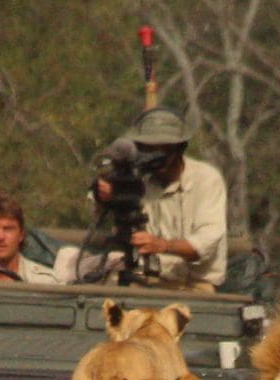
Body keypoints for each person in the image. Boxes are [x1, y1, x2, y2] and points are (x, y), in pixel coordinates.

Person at [93, 107, 227, 291]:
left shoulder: (206, 179)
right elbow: (102, 217)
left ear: (178, 148)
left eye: (161, 149)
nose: (153, 155)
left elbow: (204, 244)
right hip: (145, 279)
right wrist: (106, 198)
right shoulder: (139, 178)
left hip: (193, 285)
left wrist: (162, 245)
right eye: (146, 148)